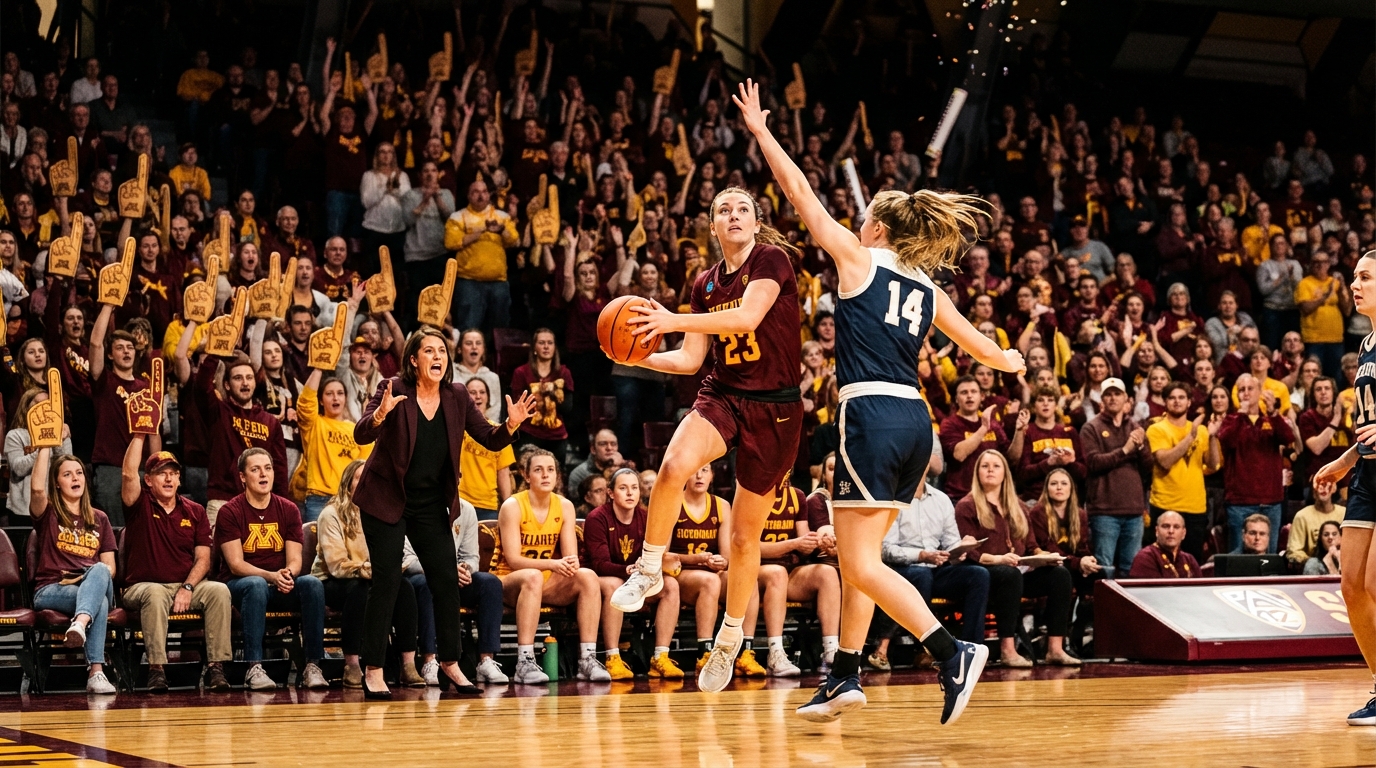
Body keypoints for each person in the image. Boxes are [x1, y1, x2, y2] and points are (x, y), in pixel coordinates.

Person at [727, 81, 1023, 724]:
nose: (856, 224)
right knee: (865, 553)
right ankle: (845, 675)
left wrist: (761, 130)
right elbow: (986, 349)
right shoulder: (925, 287)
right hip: (917, 424)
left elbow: (799, 193)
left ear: (878, 226)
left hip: (869, 415)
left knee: (858, 560)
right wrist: (1014, 361)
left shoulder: (859, 260)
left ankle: (952, 653)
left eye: (864, 220)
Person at [351, 327, 537, 698]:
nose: (438, 356)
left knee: (446, 581)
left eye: (442, 351)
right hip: (386, 499)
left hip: (430, 504)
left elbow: (488, 436)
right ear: (413, 359)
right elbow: (360, 435)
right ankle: (372, 669)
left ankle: (450, 663)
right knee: (387, 581)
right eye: (429, 351)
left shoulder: (457, 395)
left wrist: (512, 424)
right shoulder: (393, 388)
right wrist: (381, 416)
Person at [1312, 249, 1376, 726]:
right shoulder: (1366, 345)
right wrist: (1345, 457)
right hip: (1368, 475)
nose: (1354, 284)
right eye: (1354, 276)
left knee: (1375, 583)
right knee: (1351, 586)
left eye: (1365, 277)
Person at [119, 431, 232, 693]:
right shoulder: (139, 504)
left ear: (180, 479)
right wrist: (139, 434)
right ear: (148, 480)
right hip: (142, 587)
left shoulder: (196, 511)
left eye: (173, 473)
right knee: (155, 593)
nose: (169, 478)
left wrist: (188, 587)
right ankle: (156, 669)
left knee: (219, 590)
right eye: (161, 473)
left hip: (185, 587)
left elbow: (203, 558)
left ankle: (216, 668)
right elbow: (127, 474)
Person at [489, 449, 610, 682]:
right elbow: (513, 559)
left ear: (557, 476)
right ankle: (524, 661)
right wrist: (553, 564)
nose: (545, 475)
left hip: (544, 580)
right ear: (526, 476)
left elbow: (570, 557)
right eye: (538, 470)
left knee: (587, 577)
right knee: (533, 576)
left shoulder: (564, 506)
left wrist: (570, 563)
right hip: (509, 581)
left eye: (550, 470)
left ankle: (586, 659)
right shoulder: (512, 505)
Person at [215, 448, 328, 690]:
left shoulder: (288, 509)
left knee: (312, 584)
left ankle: (312, 666)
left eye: (267, 468)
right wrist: (270, 576)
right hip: (240, 585)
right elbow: (235, 564)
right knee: (255, 585)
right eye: (255, 469)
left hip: (279, 584)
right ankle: (254, 667)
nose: (263, 474)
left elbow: (295, 559)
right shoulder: (230, 511)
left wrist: (288, 574)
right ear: (243, 477)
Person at [956, 450, 1077, 669]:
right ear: (977, 473)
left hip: (1020, 571)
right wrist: (998, 559)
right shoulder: (967, 505)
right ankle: (1008, 649)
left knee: (1060, 574)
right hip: (987, 574)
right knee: (1009, 574)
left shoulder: (1020, 506)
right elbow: (969, 552)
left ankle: (1055, 648)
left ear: (1005, 473)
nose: (991, 469)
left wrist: (1044, 557)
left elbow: (1030, 546)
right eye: (985, 466)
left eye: (996, 466)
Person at [313, 460, 425, 689]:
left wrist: (390, 570)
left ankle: (408, 664)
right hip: (333, 581)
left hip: (372, 577)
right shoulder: (331, 514)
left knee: (405, 588)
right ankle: (352, 665)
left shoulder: (383, 513)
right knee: (361, 591)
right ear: (348, 484)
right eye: (361, 477)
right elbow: (336, 565)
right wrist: (373, 571)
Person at [872, 454, 989, 667]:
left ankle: (971, 648)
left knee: (978, 575)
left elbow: (951, 541)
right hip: (902, 569)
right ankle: (926, 649)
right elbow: (886, 550)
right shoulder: (893, 499)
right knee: (921, 574)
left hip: (936, 566)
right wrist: (922, 556)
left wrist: (961, 548)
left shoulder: (941, 499)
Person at [29, 446, 118, 694]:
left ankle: (79, 622)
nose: (75, 478)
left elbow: (110, 568)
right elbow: (36, 489)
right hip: (52, 588)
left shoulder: (99, 518)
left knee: (100, 569)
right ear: (56, 484)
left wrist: (88, 577)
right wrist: (46, 445)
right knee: (97, 602)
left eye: (78, 472)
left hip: (91, 582)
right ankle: (96, 672)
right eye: (67, 474)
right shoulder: (48, 514)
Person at [585, 468, 685, 679]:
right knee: (614, 585)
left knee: (671, 586)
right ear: (611, 493)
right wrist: (627, 570)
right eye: (623, 488)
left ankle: (660, 657)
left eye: (634, 488)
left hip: (637, 577)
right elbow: (599, 563)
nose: (630, 493)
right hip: (605, 578)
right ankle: (612, 657)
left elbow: (657, 555)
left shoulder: (647, 517)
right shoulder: (597, 518)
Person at [402, 497, 510, 686]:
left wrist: (465, 569)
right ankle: (430, 660)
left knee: (490, 583)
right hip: (421, 576)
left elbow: (471, 557)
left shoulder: (466, 509)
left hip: (454, 577)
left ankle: (486, 660)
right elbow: (408, 560)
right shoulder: (410, 506)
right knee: (429, 584)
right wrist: (446, 571)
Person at [1217, 374, 1297, 553]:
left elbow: (1288, 438)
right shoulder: (1230, 420)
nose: (1245, 393)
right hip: (1239, 502)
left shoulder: (1271, 420)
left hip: (1271, 501)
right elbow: (1228, 441)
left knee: (1269, 557)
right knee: (1239, 558)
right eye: (1241, 390)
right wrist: (1241, 415)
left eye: (1250, 389)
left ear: (1260, 392)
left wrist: (1274, 413)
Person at [1079, 377, 1149, 577]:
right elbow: (1093, 463)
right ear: (1101, 400)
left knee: (1132, 568)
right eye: (1108, 394)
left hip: (1134, 510)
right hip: (1104, 511)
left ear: (1126, 399)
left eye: (1117, 393)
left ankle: (1127, 609)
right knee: (1104, 568)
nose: (1112, 398)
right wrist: (1126, 450)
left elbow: (1148, 468)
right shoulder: (1091, 428)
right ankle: (1104, 609)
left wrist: (1142, 448)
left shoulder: (1135, 428)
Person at [1146, 382, 1222, 562]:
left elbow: (1213, 464)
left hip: (1196, 508)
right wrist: (1191, 436)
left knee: (1192, 561)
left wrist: (1211, 436)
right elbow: (1165, 461)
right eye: (1172, 398)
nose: (1177, 401)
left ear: (1189, 402)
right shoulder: (1156, 429)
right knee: (1163, 561)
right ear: (1165, 402)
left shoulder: (1202, 430)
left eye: (1181, 398)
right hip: (1165, 505)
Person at [296, 366, 373, 523]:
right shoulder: (314, 423)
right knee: (317, 547)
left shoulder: (355, 429)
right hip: (319, 498)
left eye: (340, 393)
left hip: (349, 500)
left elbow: (365, 466)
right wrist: (318, 367)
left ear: (345, 398)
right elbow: (305, 402)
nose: (335, 398)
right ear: (321, 400)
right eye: (329, 394)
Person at [444, 180, 519, 333]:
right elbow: (450, 242)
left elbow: (514, 240)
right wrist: (482, 230)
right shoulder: (458, 217)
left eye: (484, 191)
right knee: (469, 328)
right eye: (475, 192)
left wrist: (501, 230)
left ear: (489, 195)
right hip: (469, 282)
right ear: (468, 196)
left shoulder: (501, 216)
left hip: (498, 282)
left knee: (500, 330)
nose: (480, 195)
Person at [4, 389, 71, 524]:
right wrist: (43, 444)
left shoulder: (62, 433)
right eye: (38, 403)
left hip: (56, 506)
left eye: (47, 404)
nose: (44, 408)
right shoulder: (15, 435)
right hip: (23, 510)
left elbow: (66, 467)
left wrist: (58, 441)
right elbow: (18, 469)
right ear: (26, 407)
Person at [458, 378, 515, 520]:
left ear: (488, 398)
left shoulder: (500, 432)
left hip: (488, 506)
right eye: (472, 392)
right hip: (459, 502)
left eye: (482, 392)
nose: (478, 396)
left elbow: (503, 473)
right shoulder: (456, 428)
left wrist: (507, 506)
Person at [1287, 479, 1346, 569]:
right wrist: (1318, 562)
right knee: (1312, 563)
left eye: (1327, 485)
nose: (1323, 489)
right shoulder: (1302, 516)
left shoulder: (1345, 514)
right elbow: (1294, 551)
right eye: (1319, 485)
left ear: (1334, 488)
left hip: (1343, 561)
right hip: (1315, 564)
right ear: (1313, 491)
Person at [1127, 511, 1200, 578]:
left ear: (1184, 533)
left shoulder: (1189, 559)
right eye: (1166, 526)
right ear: (1157, 531)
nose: (1171, 531)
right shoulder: (1145, 557)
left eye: (1176, 527)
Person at [568, 429, 626, 497]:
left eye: (613, 444)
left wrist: (619, 467)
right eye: (603, 444)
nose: (609, 448)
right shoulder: (579, 474)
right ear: (593, 449)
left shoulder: (624, 469)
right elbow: (577, 504)